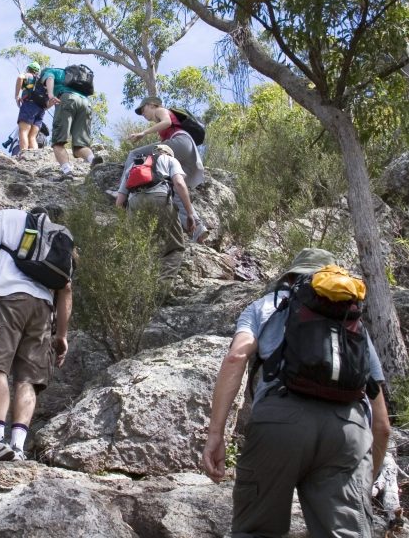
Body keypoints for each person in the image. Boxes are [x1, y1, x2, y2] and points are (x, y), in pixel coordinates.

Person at [202, 247, 391, 537]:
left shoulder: (266, 306)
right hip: (347, 432)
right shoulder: (353, 322)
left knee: (256, 531)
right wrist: (366, 476)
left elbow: (236, 357)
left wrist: (216, 434)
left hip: (279, 424)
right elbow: (382, 425)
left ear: (290, 277)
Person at [0, 206, 72, 465]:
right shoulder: (59, 237)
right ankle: (18, 447)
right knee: (28, 378)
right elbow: (66, 289)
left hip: (7, 299)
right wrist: (62, 335)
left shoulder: (4, 216)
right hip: (43, 310)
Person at [116, 96, 208, 243]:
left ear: (152, 105)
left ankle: (122, 190)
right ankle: (198, 229)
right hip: (186, 149)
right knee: (174, 189)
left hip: (180, 142)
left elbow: (167, 122)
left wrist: (143, 133)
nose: (143, 114)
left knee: (134, 154)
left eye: (143, 109)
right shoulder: (163, 126)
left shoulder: (160, 110)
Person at [117, 144, 195, 288]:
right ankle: (162, 290)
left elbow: (120, 201)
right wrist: (190, 213)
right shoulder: (170, 160)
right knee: (174, 248)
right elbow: (179, 183)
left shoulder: (134, 165)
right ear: (169, 153)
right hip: (159, 197)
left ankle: (137, 289)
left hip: (134, 202)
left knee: (140, 248)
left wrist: (126, 223)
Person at [40, 67, 102, 179]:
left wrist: (50, 95)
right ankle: (93, 160)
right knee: (80, 145)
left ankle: (67, 171)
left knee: (58, 142)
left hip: (67, 99)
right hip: (85, 103)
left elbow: (49, 78)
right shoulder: (69, 74)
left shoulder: (50, 71)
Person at [14, 61, 45, 153]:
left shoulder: (27, 75)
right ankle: (34, 156)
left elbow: (20, 77)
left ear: (29, 69)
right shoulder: (41, 80)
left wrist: (17, 96)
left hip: (29, 105)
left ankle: (24, 153)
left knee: (23, 131)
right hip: (40, 109)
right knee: (32, 136)